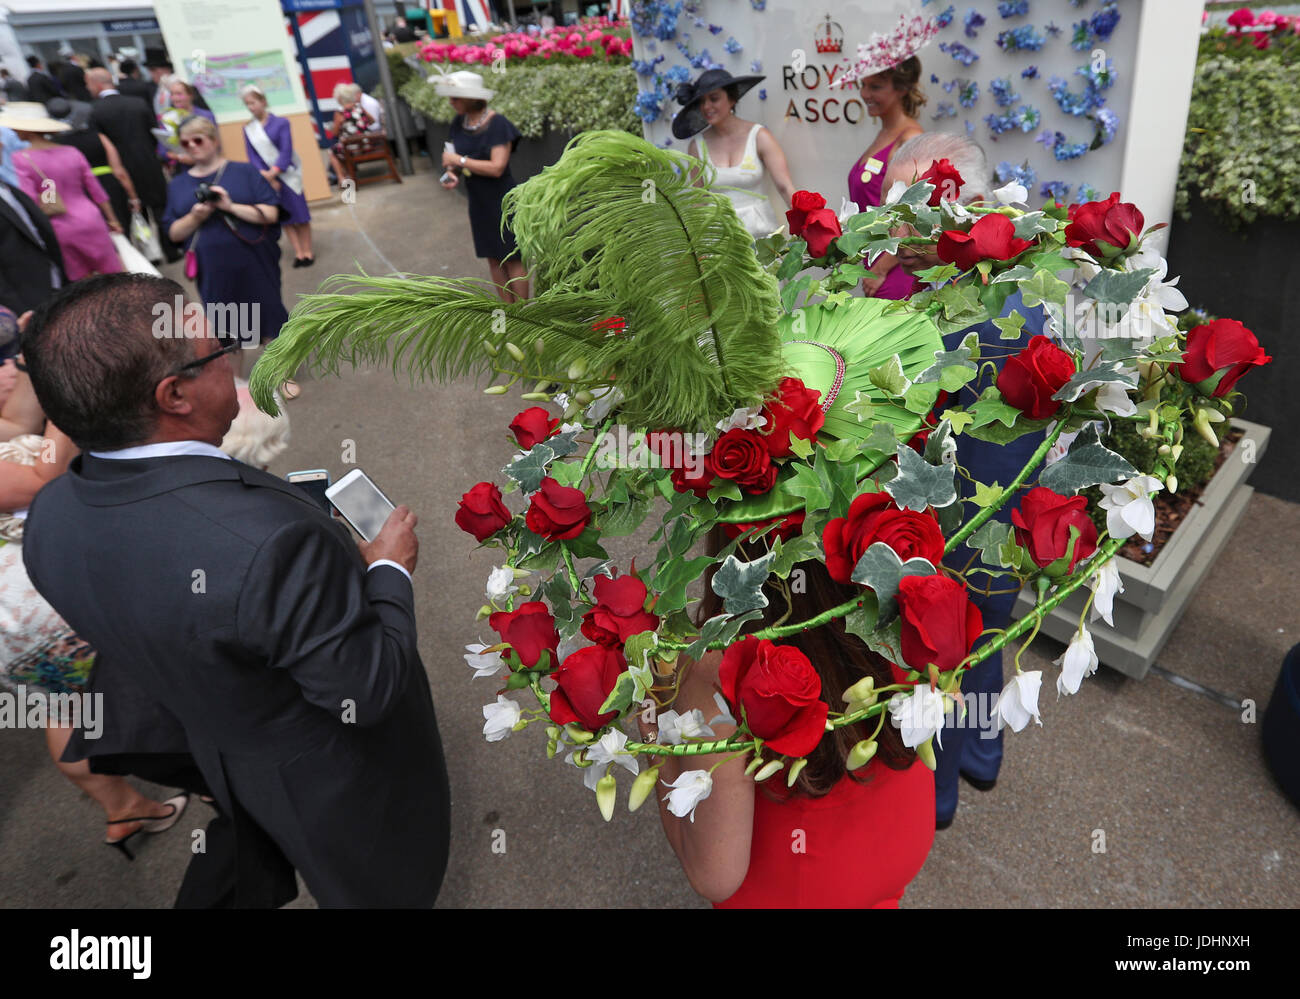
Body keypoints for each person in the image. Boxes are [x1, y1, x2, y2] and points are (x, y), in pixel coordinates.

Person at [21, 272, 452, 907]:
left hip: (224, 747)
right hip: (331, 779)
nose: (232, 354)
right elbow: (367, 686)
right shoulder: (267, 546)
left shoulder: (50, 518)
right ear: (174, 395)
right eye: (218, 350)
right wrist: (388, 567)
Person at [884, 131, 1046, 829]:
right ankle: (983, 752)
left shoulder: (963, 318)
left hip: (963, 525)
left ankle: (938, 796)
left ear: (972, 204)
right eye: (897, 207)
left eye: (919, 207)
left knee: (948, 647)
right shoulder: (1009, 278)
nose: (899, 227)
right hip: (1003, 518)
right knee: (985, 638)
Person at [639, 542, 935, 907]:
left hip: (794, 890)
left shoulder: (713, 661)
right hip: (898, 850)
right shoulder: (908, 593)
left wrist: (651, 717)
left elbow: (713, 875)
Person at [0, 307, 189, 858]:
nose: (9, 368)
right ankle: (214, 768)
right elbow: (41, 479)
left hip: (16, 619)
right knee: (143, 672)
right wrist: (71, 390)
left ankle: (123, 809)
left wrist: (43, 357)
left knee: (61, 707)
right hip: (37, 599)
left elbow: (17, 420)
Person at [163, 116, 289, 381]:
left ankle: (281, 378)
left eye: (198, 140)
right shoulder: (178, 185)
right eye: (186, 143)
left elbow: (270, 213)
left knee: (269, 317)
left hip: (254, 261)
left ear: (214, 140)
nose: (192, 146)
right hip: (213, 269)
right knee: (228, 327)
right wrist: (196, 216)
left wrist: (230, 207)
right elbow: (173, 232)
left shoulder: (244, 172)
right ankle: (237, 388)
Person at [835, 14, 935, 300]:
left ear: (902, 89)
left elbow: (921, 219)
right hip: (876, 266)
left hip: (897, 271)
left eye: (875, 87)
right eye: (863, 85)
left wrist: (882, 268)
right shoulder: (884, 135)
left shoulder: (911, 139)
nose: (865, 93)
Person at [436, 71, 528, 302]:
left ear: (469, 98)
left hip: (501, 198)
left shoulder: (498, 124)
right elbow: (452, 156)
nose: (451, 102)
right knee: (493, 258)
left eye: (455, 98)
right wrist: (452, 172)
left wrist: (459, 162)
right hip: (478, 199)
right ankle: (509, 313)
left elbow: (497, 167)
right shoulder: (460, 122)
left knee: (512, 256)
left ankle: (527, 314)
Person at [672, 68, 796, 240]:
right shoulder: (697, 146)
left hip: (763, 238)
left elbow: (785, 187)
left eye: (714, 98)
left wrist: (806, 224)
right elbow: (699, 200)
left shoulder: (759, 136)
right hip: (719, 241)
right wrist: (696, 244)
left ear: (732, 99)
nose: (707, 106)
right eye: (702, 102)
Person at [4, 102, 123, 281]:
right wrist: (112, 219)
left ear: (27, 130)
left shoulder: (21, 159)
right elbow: (96, 189)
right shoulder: (71, 151)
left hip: (59, 225)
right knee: (115, 277)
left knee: (84, 287)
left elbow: (30, 200)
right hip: (92, 218)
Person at [86, 67, 175, 262]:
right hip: (149, 164)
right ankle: (171, 251)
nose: (87, 88)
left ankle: (149, 256)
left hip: (122, 169)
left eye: (88, 83)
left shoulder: (95, 112)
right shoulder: (138, 103)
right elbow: (154, 133)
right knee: (160, 208)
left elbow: (101, 145)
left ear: (97, 84)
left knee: (135, 212)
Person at [47, 96, 141, 240]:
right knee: (122, 235)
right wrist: (133, 197)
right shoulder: (99, 137)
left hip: (78, 196)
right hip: (111, 189)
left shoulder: (55, 147)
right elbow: (119, 171)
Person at [241, 84, 313, 267]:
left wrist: (274, 173)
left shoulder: (281, 123)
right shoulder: (249, 129)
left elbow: (286, 150)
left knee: (301, 215)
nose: (251, 107)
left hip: (287, 176)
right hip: (268, 180)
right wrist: (264, 176)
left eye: (253, 102)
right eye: (247, 104)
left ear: (263, 101)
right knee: (285, 218)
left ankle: (308, 252)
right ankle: (298, 253)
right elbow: (252, 156)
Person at [0, 168, 66, 315]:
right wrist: (16, 309)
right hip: (26, 300)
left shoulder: (9, 189)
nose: (3, 145)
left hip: (54, 280)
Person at [327, 81, 382, 187]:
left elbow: (335, 132)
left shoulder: (340, 112)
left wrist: (335, 127)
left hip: (351, 148)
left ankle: (342, 178)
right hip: (367, 144)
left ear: (339, 98)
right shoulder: (359, 107)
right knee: (341, 147)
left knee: (332, 151)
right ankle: (349, 175)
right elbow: (372, 121)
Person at [158, 78, 216, 167]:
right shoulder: (167, 119)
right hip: (182, 167)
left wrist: (195, 158)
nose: (175, 98)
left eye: (179, 94)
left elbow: (215, 143)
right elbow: (162, 151)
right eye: (172, 94)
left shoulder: (206, 116)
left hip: (208, 164)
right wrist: (179, 157)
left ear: (190, 95)